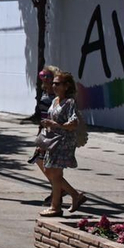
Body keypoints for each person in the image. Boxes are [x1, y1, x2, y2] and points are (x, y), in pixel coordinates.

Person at [37, 69, 87, 216]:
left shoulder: (70, 102)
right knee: (48, 170)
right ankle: (75, 195)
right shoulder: (55, 100)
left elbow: (74, 123)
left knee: (55, 173)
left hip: (64, 141)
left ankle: (55, 206)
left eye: (57, 84)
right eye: (53, 83)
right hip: (52, 140)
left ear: (66, 86)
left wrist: (57, 125)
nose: (54, 86)